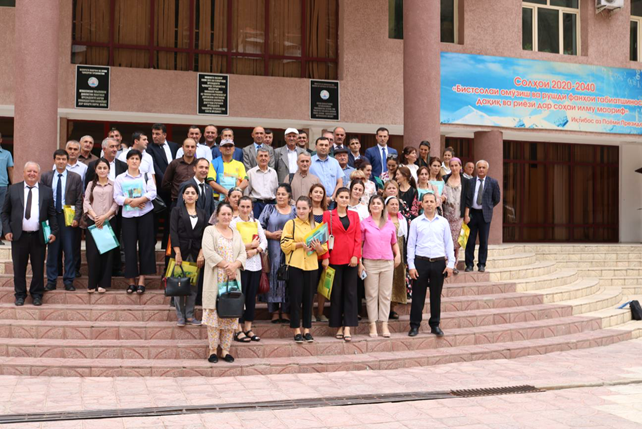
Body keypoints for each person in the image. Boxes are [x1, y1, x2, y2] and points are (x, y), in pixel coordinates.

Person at [1, 162, 58, 306]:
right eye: (29, 171)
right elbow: (5, 212)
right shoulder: (13, 189)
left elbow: (52, 214)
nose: (32, 174)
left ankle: (37, 294)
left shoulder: (46, 191)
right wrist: (6, 230)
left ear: (38, 174)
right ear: (24, 172)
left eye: (35, 171)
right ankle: (20, 294)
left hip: (38, 236)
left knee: (38, 267)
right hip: (18, 236)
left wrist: (53, 232)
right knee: (19, 268)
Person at [201, 203, 246, 363]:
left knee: (230, 312)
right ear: (217, 215)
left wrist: (234, 266)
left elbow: (242, 253)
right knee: (214, 316)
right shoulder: (210, 231)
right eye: (223, 214)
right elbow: (208, 252)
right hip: (216, 276)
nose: (226, 217)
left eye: (229, 214)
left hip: (232, 277)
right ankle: (213, 350)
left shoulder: (236, 233)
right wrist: (227, 265)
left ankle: (225, 350)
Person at [407, 192, 455, 337]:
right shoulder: (415, 222)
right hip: (420, 262)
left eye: (431, 201)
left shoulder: (443, 222)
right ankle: (414, 325)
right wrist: (411, 266)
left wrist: (451, 263)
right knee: (417, 296)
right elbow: (410, 245)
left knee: (435, 296)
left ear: (436, 204)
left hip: (438, 262)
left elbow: (448, 243)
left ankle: (435, 324)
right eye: (426, 201)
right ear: (421, 204)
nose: (429, 204)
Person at [281, 196, 327, 343]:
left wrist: (318, 247)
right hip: (295, 264)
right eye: (298, 208)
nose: (301, 211)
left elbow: (323, 249)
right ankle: (296, 329)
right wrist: (300, 244)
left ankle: (307, 328)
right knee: (295, 298)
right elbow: (284, 245)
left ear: (310, 209)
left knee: (308, 298)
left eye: (304, 208)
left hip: (312, 266)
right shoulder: (290, 224)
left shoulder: (317, 226)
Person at [113, 149, 158, 295]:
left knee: (145, 246)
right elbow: (117, 197)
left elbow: (152, 192)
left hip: (145, 214)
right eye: (131, 158)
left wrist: (140, 200)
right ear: (127, 161)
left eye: (136, 159)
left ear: (140, 161)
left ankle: (142, 280)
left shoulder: (146, 176)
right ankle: (131, 281)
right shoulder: (120, 178)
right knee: (129, 248)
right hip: (128, 216)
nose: (134, 161)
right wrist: (130, 201)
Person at [321, 187, 361, 342]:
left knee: (351, 293)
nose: (344, 200)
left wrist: (356, 256)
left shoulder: (355, 215)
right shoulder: (328, 215)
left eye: (347, 197)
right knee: (336, 294)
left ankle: (348, 327)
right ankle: (337, 325)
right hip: (334, 259)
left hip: (351, 259)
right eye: (342, 197)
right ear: (336, 198)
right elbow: (324, 238)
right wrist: (325, 256)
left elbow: (358, 237)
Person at [41, 150, 84, 292]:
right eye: (58, 159)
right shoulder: (46, 176)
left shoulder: (75, 177)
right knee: (52, 250)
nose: (61, 161)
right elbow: (42, 198)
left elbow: (79, 200)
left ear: (67, 161)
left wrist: (77, 218)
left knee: (69, 250)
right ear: (54, 160)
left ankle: (69, 280)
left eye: (63, 159)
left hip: (69, 216)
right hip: (52, 216)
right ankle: (51, 281)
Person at [359, 195, 400, 338]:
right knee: (371, 295)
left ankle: (384, 324)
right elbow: (360, 245)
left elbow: (394, 242)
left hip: (387, 262)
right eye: (373, 203)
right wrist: (359, 263)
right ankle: (372, 325)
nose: (376, 205)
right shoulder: (364, 224)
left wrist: (398, 255)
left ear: (383, 207)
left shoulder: (389, 224)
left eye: (378, 203)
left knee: (385, 294)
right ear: (369, 207)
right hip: (370, 262)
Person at [88, 137, 128, 277]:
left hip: (117, 211)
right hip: (96, 213)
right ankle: (99, 270)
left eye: (116, 146)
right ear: (104, 149)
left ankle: (115, 267)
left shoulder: (123, 165)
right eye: (112, 146)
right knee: (97, 242)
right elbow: (88, 189)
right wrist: (95, 215)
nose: (115, 149)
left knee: (116, 238)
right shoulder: (93, 165)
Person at [230, 197, 267, 342]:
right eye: (243, 206)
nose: (245, 210)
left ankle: (248, 327)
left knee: (251, 297)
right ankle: (237, 328)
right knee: (239, 297)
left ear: (252, 208)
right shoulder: (233, 223)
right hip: (240, 265)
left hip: (255, 265)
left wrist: (256, 250)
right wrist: (248, 246)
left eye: (248, 207)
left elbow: (264, 241)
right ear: (238, 207)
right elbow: (232, 244)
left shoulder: (255, 222)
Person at [170, 184, 206, 326]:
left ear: (197, 196)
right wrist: (177, 252)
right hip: (181, 251)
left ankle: (190, 315)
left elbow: (205, 234)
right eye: (187, 193)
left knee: (193, 285)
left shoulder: (202, 213)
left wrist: (201, 254)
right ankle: (180, 315)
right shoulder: (177, 211)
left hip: (197, 251)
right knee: (179, 284)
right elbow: (173, 232)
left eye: (193, 193)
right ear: (183, 196)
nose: (190, 195)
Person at [259, 184, 296, 323]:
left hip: (289, 248)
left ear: (289, 196)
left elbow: (299, 226)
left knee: (287, 276)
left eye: (283, 194)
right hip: (272, 247)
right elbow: (259, 227)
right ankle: (274, 311)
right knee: (273, 275)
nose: (280, 196)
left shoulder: (294, 210)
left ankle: (286, 310)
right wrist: (270, 234)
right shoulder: (268, 208)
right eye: (278, 194)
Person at [83, 158, 118, 293]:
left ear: (108, 169)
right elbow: (86, 201)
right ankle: (92, 284)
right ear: (95, 170)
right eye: (100, 168)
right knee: (93, 253)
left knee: (107, 253)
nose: (102, 170)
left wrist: (105, 217)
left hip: (108, 221)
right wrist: (95, 216)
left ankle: (103, 283)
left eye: (105, 168)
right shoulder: (91, 184)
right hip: (93, 221)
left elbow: (116, 203)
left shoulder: (114, 185)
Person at [464, 160, 501, 273]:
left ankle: (482, 264)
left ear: (487, 169)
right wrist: (466, 214)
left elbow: (497, 198)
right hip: (472, 214)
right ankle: (469, 264)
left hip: (485, 214)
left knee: (483, 241)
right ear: (476, 169)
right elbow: (467, 198)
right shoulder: (471, 182)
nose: (481, 169)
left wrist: (488, 206)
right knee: (470, 240)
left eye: (483, 167)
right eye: (479, 167)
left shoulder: (493, 182)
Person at [147, 123, 178, 248]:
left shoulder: (174, 146)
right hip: (159, 189)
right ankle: (152, 243)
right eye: (153, 134)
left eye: (157, 134)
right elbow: (154, 167)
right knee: (154, 219)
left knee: (170, 219)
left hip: (172, 190)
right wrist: (167, 181)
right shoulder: (150, 148)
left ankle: (166, 245)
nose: (154, 136)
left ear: (164, 134)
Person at [443, 157, 471, 275]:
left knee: (456, 242)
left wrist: (466, 215)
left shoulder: (466, 181)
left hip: (458, 215)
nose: (454, 168)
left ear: (460, 166)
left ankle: (454, 264)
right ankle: (445, 263)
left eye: (456, 165)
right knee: (445, 239)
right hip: (445, 214)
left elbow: (468, 199)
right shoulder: (444, 178)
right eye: (452, 166)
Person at [386, 196, 408, 320]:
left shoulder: (403, 220)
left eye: (396, 204)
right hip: (386, 251)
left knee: (397, 279)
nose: (394, 206)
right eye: (392, 204)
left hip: (400, 252)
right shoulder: (383, 219)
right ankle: (384, 307)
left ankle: (392, 308)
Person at [161, 138, 197, 205]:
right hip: (177, 201)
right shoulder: (174, 164)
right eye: (187, 146)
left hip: (195, 202)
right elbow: (165, 184)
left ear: (196, 148)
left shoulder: (199, 164)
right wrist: (176, 191)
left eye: (192, 147)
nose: (190, 149)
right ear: (182, 148)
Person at [246, 147, 278, 219]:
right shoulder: (250, 173)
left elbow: (275, 190)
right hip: (256, 205)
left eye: (266, 156)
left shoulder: (273, 172)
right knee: (256, 227)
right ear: (256, 158)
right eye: (261, 156)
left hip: (271, 204)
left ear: (269, 158)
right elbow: (247, 192)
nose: (263, 158)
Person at [309, 137, 343, 201]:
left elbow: (340, 182)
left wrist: (332, 198)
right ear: (316, 147)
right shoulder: (309, 162)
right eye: (321, 145)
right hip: (314, 200)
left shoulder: (334, 162)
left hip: (332, 201)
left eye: (326, 145)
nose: (324, 147)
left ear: (329, 147)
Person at [0, 132, 14, 246]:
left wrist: (13, 186)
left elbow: (10, 169)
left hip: (3, 186)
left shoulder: (6, 154)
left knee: (2, 212)